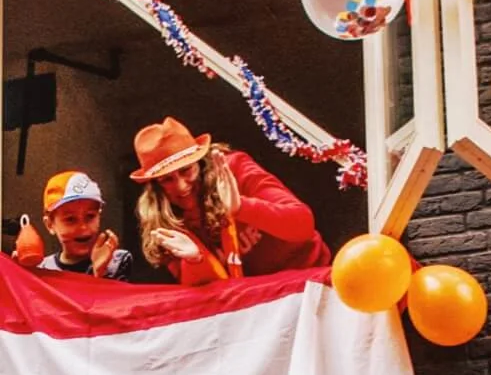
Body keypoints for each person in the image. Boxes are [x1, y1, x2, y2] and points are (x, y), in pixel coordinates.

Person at [131, 116, 331, 285]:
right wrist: (195, 261)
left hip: (309, 278)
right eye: (167, 180)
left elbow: (304, 224)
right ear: (155, 187)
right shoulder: (162, 220)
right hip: (256, 302)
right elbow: (205, 294)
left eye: (186, 170)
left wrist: (242, 207)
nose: (182, 186)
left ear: (200, 163)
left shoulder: (234, 169)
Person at [38, 171, 133, 280]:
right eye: (70, 219)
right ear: (50, 225)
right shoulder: (42, 270)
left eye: (90, 216)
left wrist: (100, 272)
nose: (83, 227)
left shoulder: (116, 261)